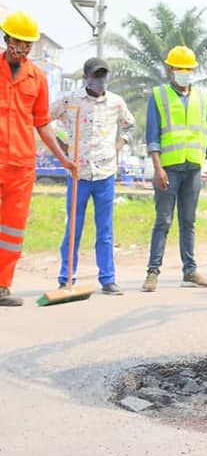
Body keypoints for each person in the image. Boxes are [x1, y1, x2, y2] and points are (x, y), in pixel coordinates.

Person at [0, 11, 78, 306]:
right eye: (17, 43)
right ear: (6, 39)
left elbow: (42, 123)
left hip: (21, 166)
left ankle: (2, 286)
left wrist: (63, 158)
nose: (22, 49)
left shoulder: (38, 78)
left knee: (11, 230)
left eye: (27, 45)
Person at [50, 57, 136, 295]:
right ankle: (66, 277)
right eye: (96, 76)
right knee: (74, 227)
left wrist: (120, 144)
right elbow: (45, 119)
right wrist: (61, 147)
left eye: (103, 76)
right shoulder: (72, 100)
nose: (100, 81)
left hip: (104, 173)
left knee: (105, 230)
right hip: (78, 173)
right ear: (87, 77)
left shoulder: (116, 103)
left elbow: (130, 125)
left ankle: (107, 279)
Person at [142, 45, 207, 292]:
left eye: (188, 69)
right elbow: (152, 136)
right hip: (169, 168)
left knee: (188, 222)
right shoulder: (158, 95)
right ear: (170, 69)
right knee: (163, 221)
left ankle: (190, 271)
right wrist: (158, 168)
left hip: (194, 168)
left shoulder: (202, 97)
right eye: (179, 68)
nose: (184, 73)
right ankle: (153, 272)